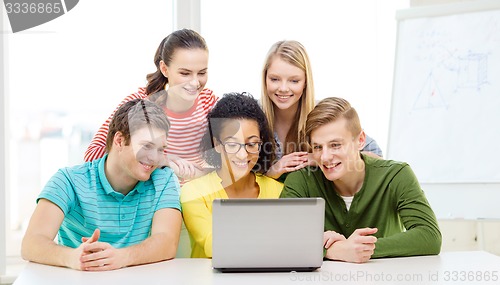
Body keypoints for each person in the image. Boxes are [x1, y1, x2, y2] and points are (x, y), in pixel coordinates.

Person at [21, 99, 182, 271]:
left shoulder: (163, 179)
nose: (155, 158)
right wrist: (73, 257)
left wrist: (121, 257)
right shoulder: (68, 181)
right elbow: (31, 243)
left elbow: (167, 241)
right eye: (147, 146)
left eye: (160, 149)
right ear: (119, 140)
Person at [280, 97, 442, 263]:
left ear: (360, 140)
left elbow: (429, 236)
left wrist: (360, 249)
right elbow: (281, 238)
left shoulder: (396, 175)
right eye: (318, 147)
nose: (325, 157)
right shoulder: (300, 180)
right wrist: (332, 250)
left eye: (335, 145)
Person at [84, 29, 218, 183]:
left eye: (201, 73)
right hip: (151, 201)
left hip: (195, 200)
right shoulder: (140, 103)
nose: (195, 82)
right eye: (185, 73)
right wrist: (161, 160)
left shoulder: (209, 102)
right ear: (164, 69)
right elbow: (92, 155)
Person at [261, 40, 383, 181]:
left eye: (294, 81)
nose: (283, 88)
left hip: (316, 201)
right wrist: (273, 171)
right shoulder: (253, 117)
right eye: (275, 79)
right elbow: (235, 176)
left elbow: (376, 155)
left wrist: (319, 157)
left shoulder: (320, 113)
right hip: (268, 201)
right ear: (265, 78)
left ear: (306, 81)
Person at [181, 92, 283, 258]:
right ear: (217, 144)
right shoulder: (194, 193)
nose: (243, 155)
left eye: (251, 144)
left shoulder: (279, 192)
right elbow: (213, 245)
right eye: (232, 144)